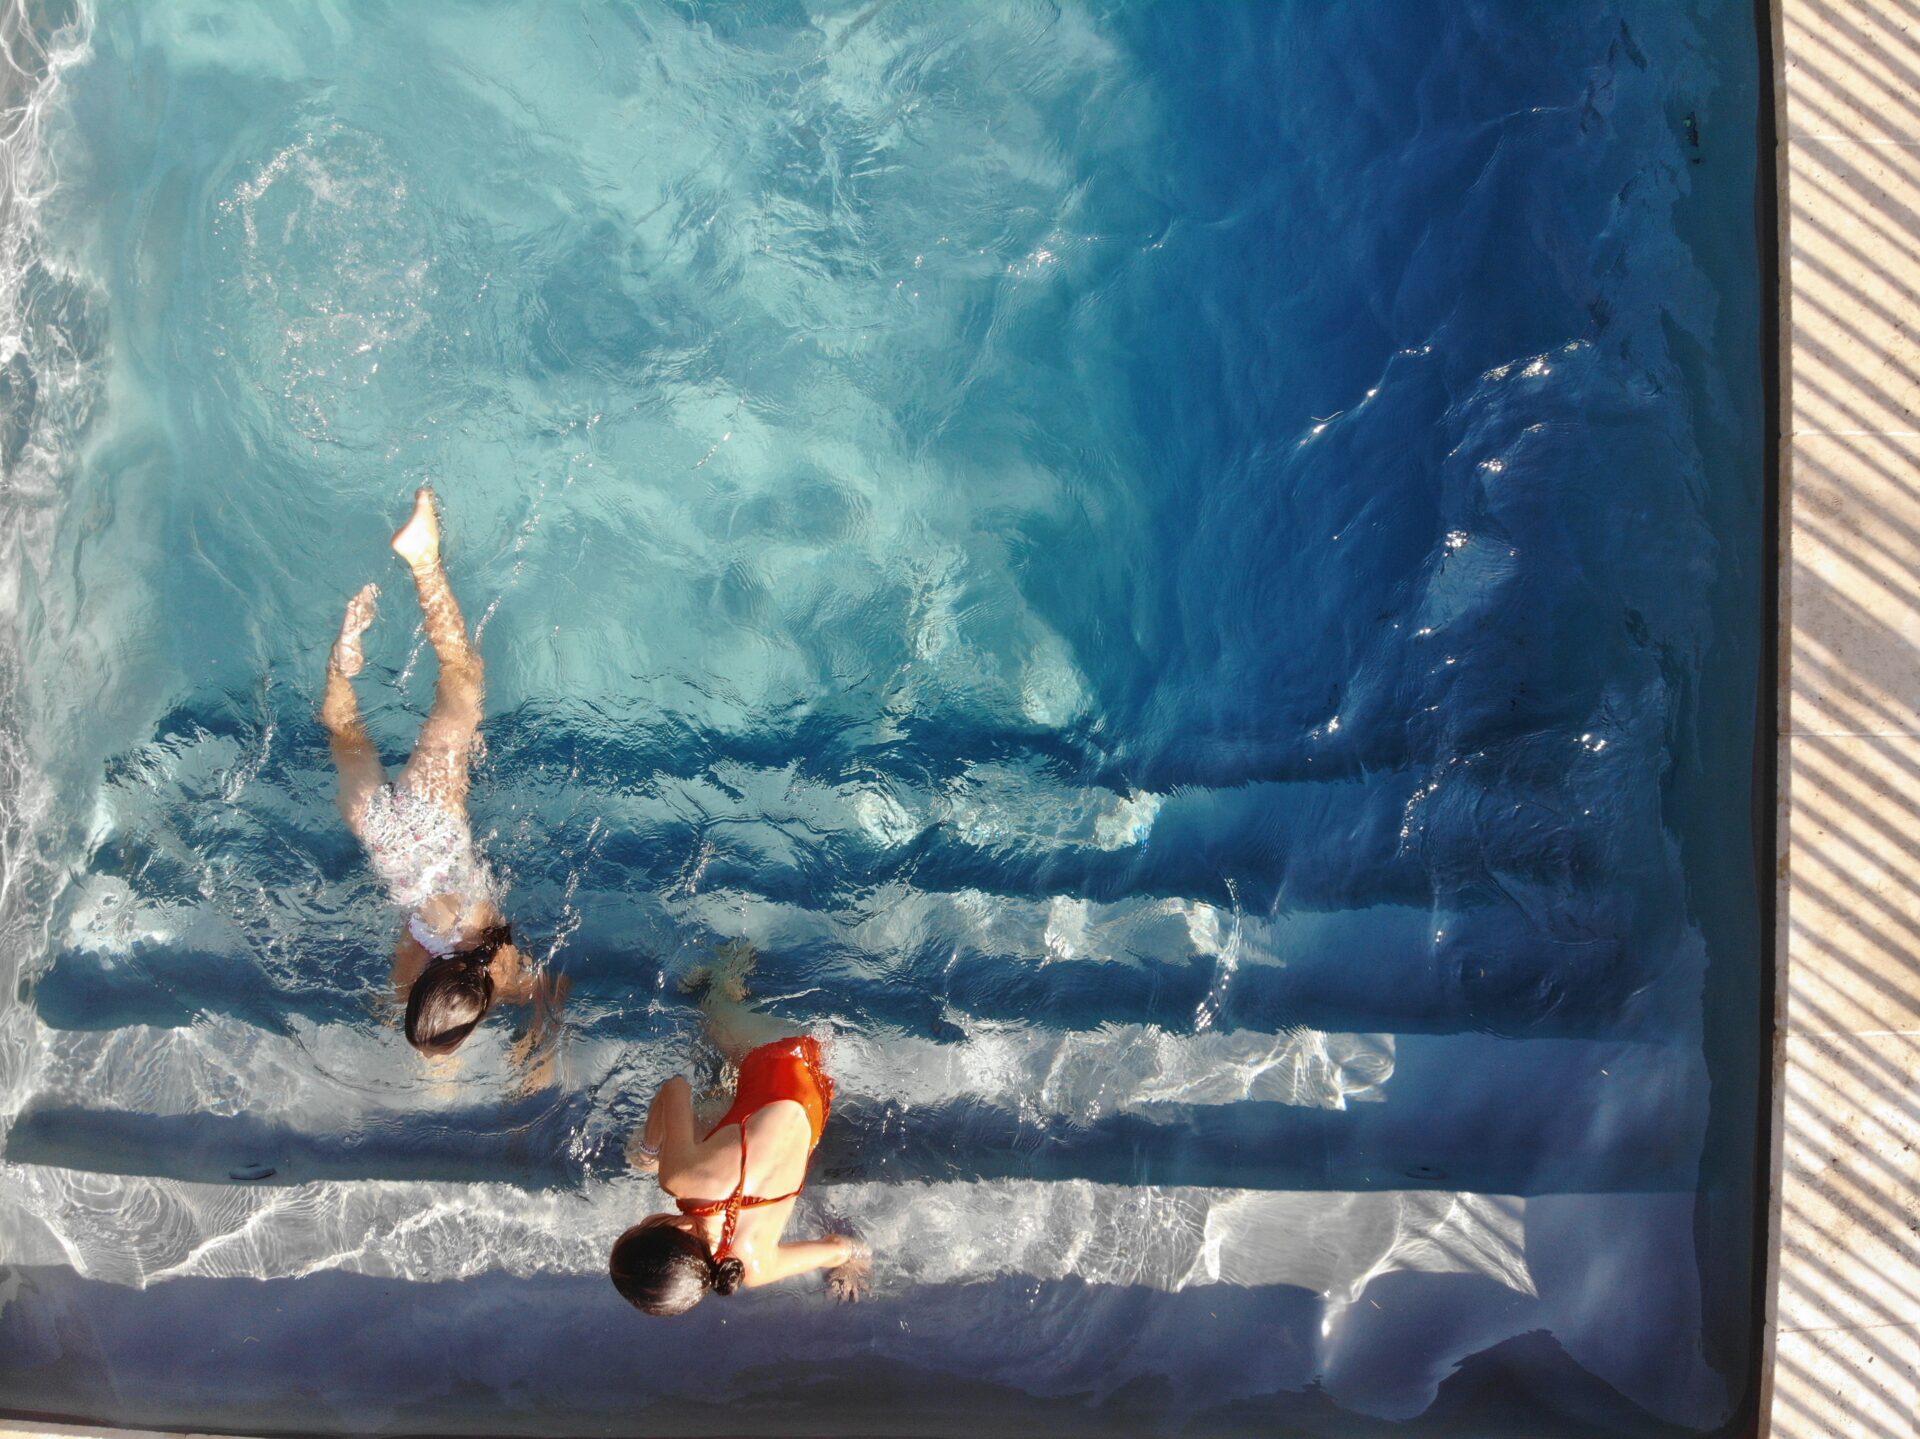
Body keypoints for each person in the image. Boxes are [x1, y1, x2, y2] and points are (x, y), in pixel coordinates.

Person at [321, 487, 565, 1065]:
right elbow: (412, 977)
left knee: (463, 676)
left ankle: (425, 557)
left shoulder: (495, 961)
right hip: (380, 832)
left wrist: (543, 1042)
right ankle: (341, 665)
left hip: (431, 815)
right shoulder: (411, 970)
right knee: (345, 731)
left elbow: (547, 991)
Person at [612, 943, 869, 1314]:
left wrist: (855, 1264)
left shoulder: (757, 1268)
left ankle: (727, 1092)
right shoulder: (681, 1179)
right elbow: (675, 1087)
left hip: (816, 1110)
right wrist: (651, 1152)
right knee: (711, 1010)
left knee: (716, 1115)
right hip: (785, 1056)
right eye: (644, 1224)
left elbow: (846, 1248)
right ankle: (735, 954)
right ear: (680, 1230)